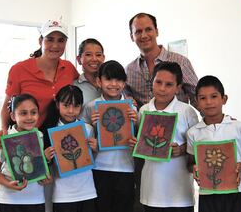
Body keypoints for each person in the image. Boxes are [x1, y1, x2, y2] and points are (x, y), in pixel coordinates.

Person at [129, 62, 198, 212]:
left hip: (180, 192)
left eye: (169, 84)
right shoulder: (144, 110)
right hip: (151, 189)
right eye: (158, 82)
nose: (162, 88)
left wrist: (181, 149)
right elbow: (142, 143)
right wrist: (136, 145)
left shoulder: (187, 111)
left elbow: (197, 145)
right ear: (152, 82)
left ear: (178, 87)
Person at [186, 75, 241, 212]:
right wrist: (194, 168)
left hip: (236, 192)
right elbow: (189, 163)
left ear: (224, 99)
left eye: (214, 96)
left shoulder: (238, 127)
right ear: (197, 102)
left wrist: (240, 165)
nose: (208, 102)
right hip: (208, 194)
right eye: (203, 98)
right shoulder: (193, 133)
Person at [0, 19, 79, 136]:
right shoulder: (19, 69)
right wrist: (4, 134)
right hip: (27, 138)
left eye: (61, 40)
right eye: (50, 39)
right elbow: (7, 107)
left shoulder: (69, 68)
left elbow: (82, 86)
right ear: (40, 41)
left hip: (58, 137)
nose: (55, 45)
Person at [81, 60, 138, 212]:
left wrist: (137, 122)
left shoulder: (132, 108)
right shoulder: (91, 107)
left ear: (124, 83)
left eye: (119, 80)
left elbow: (140, 139)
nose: (114, 84)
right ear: (99, 81)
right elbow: (82, 138)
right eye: (108, 79)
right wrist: (93, 127)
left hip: (126, 168)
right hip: (99, 167)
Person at [41, 85, 98, 212]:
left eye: (76, 106)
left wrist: (95, 149)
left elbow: (91, 161)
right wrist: (46, 158)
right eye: (66, 105)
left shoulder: (87, 129)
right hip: (62, 195)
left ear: (81, 107)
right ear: (57, 105)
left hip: (87, 191)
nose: (71, 111)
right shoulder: (49, 132)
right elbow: (45, 168)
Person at [0, 93, 50, 212]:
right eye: (23, 113)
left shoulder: (40, 136)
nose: (29, 117)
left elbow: (37, 167)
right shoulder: (5, 138)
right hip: (8, 200)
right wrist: (8, 183)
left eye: (33, 112)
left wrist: (46, 176)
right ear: (13, 116)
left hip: (36, 199)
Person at [125, 12, 198, 109]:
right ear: (131, 37)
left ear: (156, 31)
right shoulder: (129, 71)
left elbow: (197, 97)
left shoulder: (181, 62)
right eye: (138, 31)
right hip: (144, 123)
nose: (144, 35)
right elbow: (127, 103)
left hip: (179, 122)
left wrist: (215, 123)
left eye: (148, 29)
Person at [74, 38, 105, 106]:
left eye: (98, 55)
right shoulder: (73, 87)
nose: (94, 59)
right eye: (88, 55)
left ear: (103, 58)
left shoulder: (113, 84)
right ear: (79, 59)